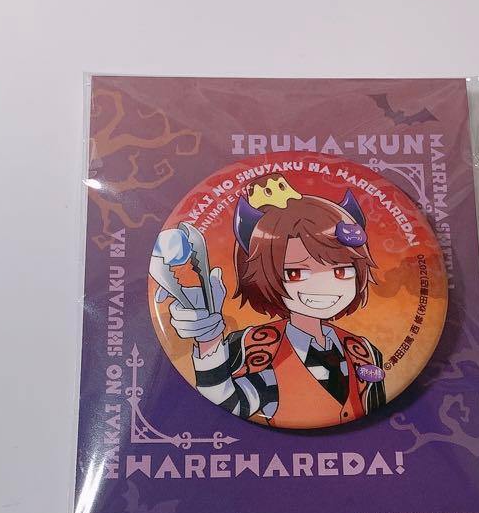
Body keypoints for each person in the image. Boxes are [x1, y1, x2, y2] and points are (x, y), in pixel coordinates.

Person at [164, 175, 386, 429]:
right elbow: (230, 400)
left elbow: (373, 406)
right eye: (296, 273)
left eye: (341, 270)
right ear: (262, 278)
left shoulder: (365, 352)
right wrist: (209, 340)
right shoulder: (254, 348)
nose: (324, 286)